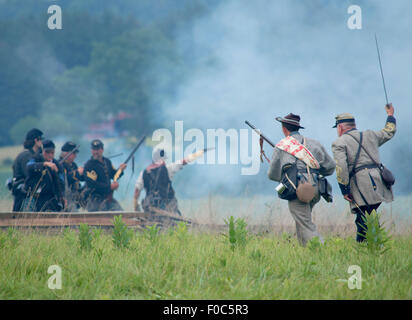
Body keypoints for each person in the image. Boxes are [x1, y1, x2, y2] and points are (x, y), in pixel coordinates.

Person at [268, 113, 335, 246]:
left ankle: (321, 249)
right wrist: (312, 173)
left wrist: (284, 172)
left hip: (297, 188)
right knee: (302, 220)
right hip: (316, 188)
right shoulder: (315, 144)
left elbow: (272, 174)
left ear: (284, 129)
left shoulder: (282, 145)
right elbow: (330, 167)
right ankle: (306, 250)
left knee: (305, 223)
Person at [331, 104, 396, 242]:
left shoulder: (339, 142)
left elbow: (341, 167)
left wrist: (345, 190)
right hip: (378, 181)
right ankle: (371, 245)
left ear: (340, 127)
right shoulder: (371, 135)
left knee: (363, 217)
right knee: (368, 215)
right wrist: (390, 115)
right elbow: (389, 131)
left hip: (361, 184)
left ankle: (368, 246)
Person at [133, 147, 197, 215]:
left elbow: (137, 192)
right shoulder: (168, 168)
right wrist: (196, 155)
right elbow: (183, 161)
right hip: (168, 205)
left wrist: (136, 207)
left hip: (150, 205)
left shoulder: (143, 172)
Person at [83, 139, 127, 212]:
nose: (96, 152)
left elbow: (114, 176)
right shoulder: (89, 165)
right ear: (91, 150)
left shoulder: (107, 162)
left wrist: (120, 170)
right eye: (94, 149)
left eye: (98, 149)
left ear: (102, 150)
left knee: (121, 215)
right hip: (95, 200)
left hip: (108, 198)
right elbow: (92, 184)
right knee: (98, 221)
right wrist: (109, 187)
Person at [24, 139, 65, 212]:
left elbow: (61, 182)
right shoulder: (36, 158)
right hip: (35, 197)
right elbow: (28, 167)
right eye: (47, 152)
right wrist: (44, 164)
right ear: (43, 151)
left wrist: (62, 197)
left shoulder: (57, 164)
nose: (50, 155)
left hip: (51, 198)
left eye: (52, 152)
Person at [11, 128, 43, 211]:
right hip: (25, 196)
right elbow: (29, 174)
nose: (42, 142)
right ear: (36, 140)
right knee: (27, 220)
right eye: (41, 139)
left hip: (30, 195)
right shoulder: (26, 156)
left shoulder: (34, 155)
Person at [59, 141, 84, 211]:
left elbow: (81, 178)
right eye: (74, 153)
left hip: (75, 197)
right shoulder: (60, 165)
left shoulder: (73, 165)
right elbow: (65, 180)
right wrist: (77, 173)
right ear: (67, 153)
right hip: (66, 198)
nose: (75, 155)